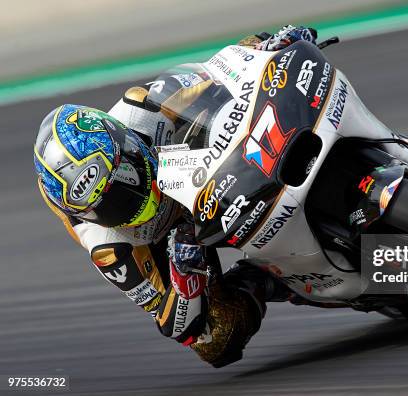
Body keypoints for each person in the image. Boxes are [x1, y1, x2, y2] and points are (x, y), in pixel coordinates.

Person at [33, 26, 318, 368]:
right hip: (172, 241)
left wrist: (263, 47)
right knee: (213, 340)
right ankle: (264, 279)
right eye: (107, 207)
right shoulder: (109, 248)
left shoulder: (141, 108)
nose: (127, 204)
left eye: (124, 179)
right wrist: (185, 278)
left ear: (126, 143)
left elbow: (219, 72)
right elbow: (174, 325)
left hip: (196, 168)